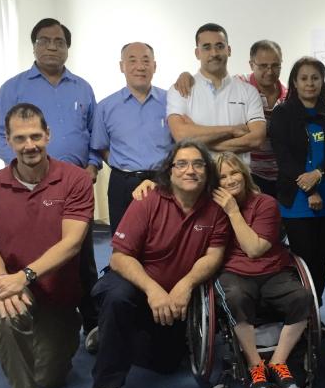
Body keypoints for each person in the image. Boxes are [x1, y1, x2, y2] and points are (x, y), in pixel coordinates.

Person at [85, 140, 229, 388]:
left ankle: (110, 334)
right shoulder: (148, 200)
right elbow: (119, 257)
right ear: (170, 170)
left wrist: (186, 284)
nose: (190, 170)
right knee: (117, 298)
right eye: (182, 164)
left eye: (198, 164)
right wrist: (153, 290)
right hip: (136, 281)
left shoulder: (215, 208)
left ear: (207, 172)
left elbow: (214, 256)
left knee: (166, 364)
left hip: (177, 293)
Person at [0, 103, 93, 388]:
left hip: (57, 291)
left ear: (48, 135)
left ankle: (20, 340)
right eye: (20, 138)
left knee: (50, 377)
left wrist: (22, 276)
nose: (30, 146)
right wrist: (4, 284)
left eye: (36, 136)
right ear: (8, 140)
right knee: (5, 315)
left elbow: (71, 244)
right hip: (16, 285)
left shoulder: (76, 180)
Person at [0, 17, 100, 341]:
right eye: (44, 41)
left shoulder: (83, 87)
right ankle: (14, 323)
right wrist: (25, 166)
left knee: (81, 257)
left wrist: (92, 165)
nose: (52, 47)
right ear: (34, 45)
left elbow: (94, 135)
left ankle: (92, 323)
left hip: (75, 188)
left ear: (67, 48)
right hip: (29, 187)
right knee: (25, 253)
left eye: (59, 42)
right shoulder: (14, 87)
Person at [212, 152, 312, 388]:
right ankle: (255, 364)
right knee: (235, 297)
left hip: (271, 270)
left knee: (302, 298)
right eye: (222, 177)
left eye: (234, 172)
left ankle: (278, 362)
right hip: (234, 273)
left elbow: (254, 249)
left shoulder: (265, 203)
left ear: (244, 174)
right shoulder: (211, 209)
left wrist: (233, 211)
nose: (230, 180)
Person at [270, 56, 325, 308]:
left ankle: (315, 312)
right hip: (296, 197)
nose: (310, 83)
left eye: (315, 78)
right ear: (294, 81)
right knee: (302, 260)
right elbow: (283, 157)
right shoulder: (283, 113)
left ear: (322, 80)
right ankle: (300, 313)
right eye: (303, 78)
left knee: (321, 259)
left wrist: (319, 174)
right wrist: (310, 188)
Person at [173, 40, 288, 197]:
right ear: (251, 64)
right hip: (245, 172)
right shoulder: (237, 85)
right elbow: (208, 78)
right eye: (263, 66)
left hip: (280, 173)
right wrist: (186, 76)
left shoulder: (289, 96)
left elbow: (256, 139)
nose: (270, 71)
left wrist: (210, 144)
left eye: (275, 65)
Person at [91, 42, 172, 236]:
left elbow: (183, 142)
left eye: (146, 60)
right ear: (122, 66)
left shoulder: (172, 102)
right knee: (123, 241)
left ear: (155, 66)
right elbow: (101, 146)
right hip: (123, 183)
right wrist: (124, 166)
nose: (140, 66)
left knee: (165, 239)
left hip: (164, 180)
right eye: (132, 60)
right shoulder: (106, 106)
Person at [166, 23, 265, 165]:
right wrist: (233, 130)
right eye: (206, 47)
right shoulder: (180, 90)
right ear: (197, 53)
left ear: (229, 50)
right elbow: (181, 135)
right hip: (197, 181)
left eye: (220, 46)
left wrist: (199, 141)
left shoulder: (248, 91)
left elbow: (256, 139)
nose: (214, 53)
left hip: (236, 181)